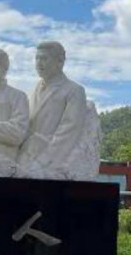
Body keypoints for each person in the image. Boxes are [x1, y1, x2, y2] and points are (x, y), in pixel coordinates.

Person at [17, 41, 100, 176]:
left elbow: (69, 130)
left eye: (44, 58)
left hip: (49, 163)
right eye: (37, 58)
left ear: (60, 62)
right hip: (25, 158)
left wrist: (44, 161)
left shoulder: (74, 90)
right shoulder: (32, 91)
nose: (39, 63)